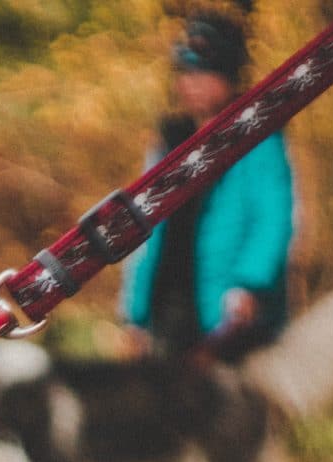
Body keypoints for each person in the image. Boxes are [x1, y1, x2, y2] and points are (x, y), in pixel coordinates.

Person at [122, 7, 295, 362]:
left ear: (231, 76)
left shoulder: (258, 138)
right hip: (168, 309)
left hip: (228, 315)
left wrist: (250, 284)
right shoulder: (168, 142)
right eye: (186, 73)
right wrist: (133, 313)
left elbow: (273, 218)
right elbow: (142, 230)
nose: (193, 82)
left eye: (205, 72)